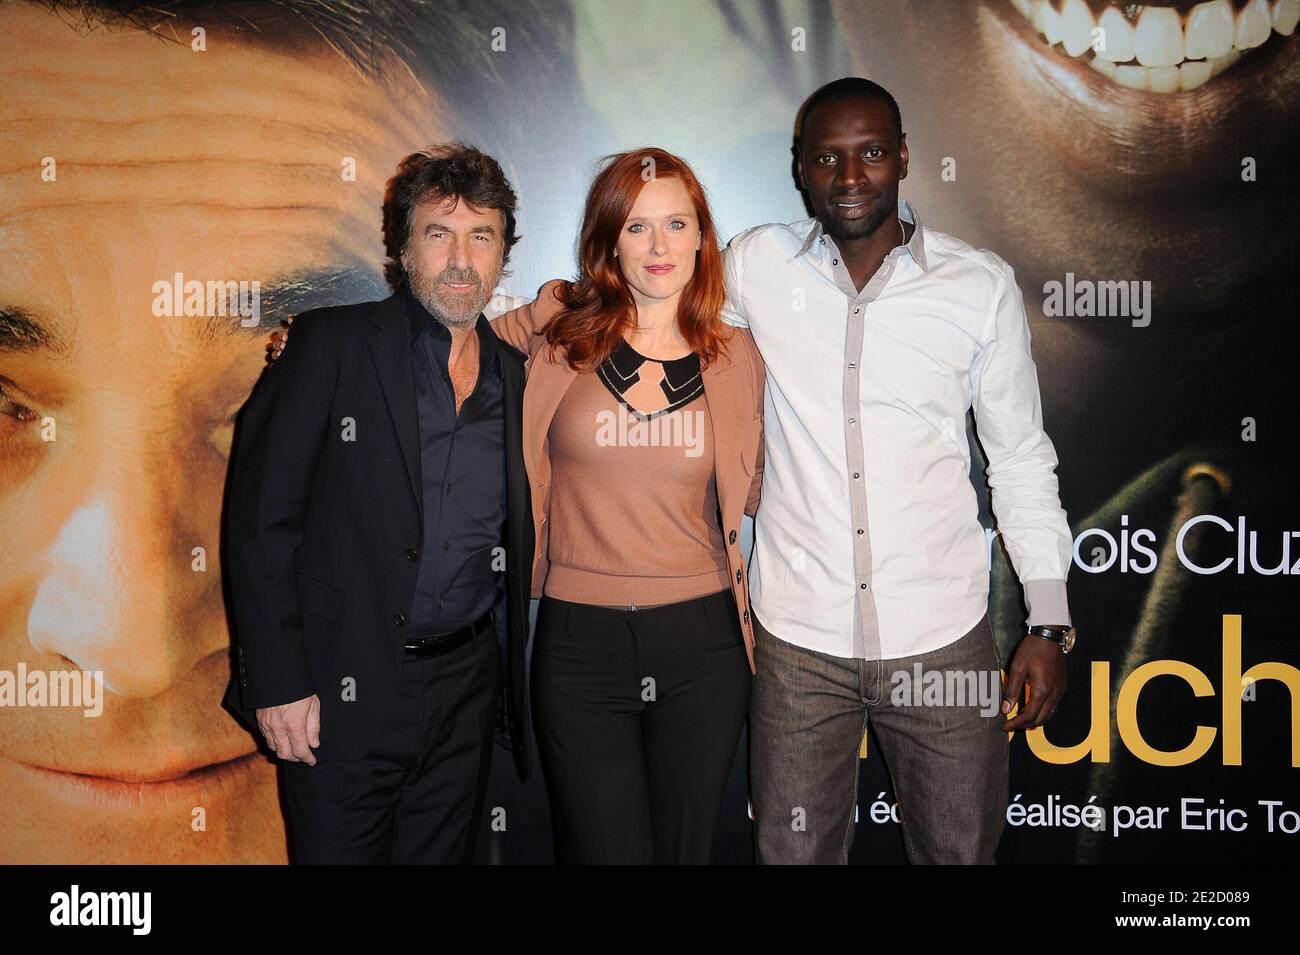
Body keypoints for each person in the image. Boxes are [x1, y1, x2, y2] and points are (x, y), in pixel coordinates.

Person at [275, 147, 765, 864]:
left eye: (676, 224)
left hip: (704, 646)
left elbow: (762, 487)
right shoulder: (560, 333)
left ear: (702, 236)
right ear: (607, 240)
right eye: (635, 227)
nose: (658, 246)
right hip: (577, 641)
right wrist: (307, 346)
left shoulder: (739, 356)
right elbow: (445, 341)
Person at [727, 78, 1076, 864]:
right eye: (828, 158)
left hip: (943, 638)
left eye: (873, 153)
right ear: (801, 169)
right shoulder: (755, 266)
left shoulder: (977, 285)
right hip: (798, 642)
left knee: (958, 852)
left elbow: (1019, 460)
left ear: (905, 157)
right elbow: (658, 320)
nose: (851, 178)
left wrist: (1048, 622)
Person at [225, 143, 534, 864]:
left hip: (465, 693)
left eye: (481, 235)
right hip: (338, 687)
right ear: (401, 245)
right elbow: (260, 525)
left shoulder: (520, 379)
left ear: (501, 254)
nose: (461, 259)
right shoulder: (327, 347)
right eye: (439, 233)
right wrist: (277, 681)